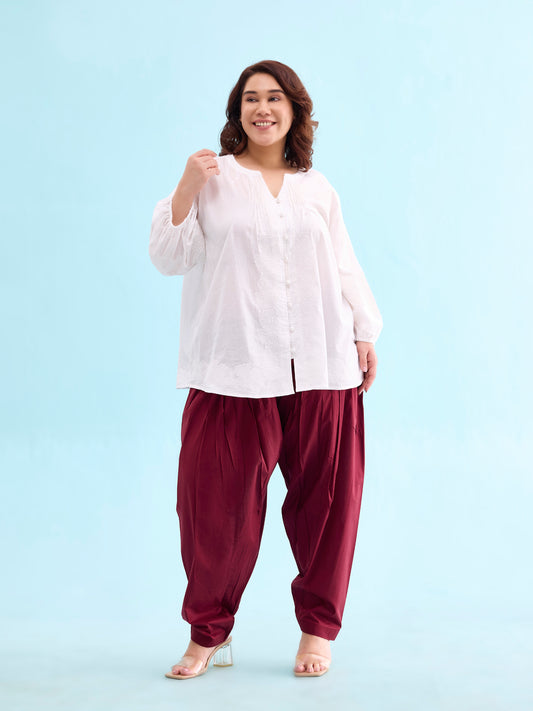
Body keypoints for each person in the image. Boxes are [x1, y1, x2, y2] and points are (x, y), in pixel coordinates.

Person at [148, 60, 383, 680]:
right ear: (237, 113)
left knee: (328, 505)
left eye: (275, 98)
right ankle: (208, 634)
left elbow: (343, 264)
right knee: (213, 509)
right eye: (250, 99)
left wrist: (364, 331)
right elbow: (168, 257)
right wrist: (185, 186)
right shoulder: (213, 179)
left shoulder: (318, 188)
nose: (263, 109)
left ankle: (317, 631)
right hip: (234, 368)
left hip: (323, 365)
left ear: (294, 110)